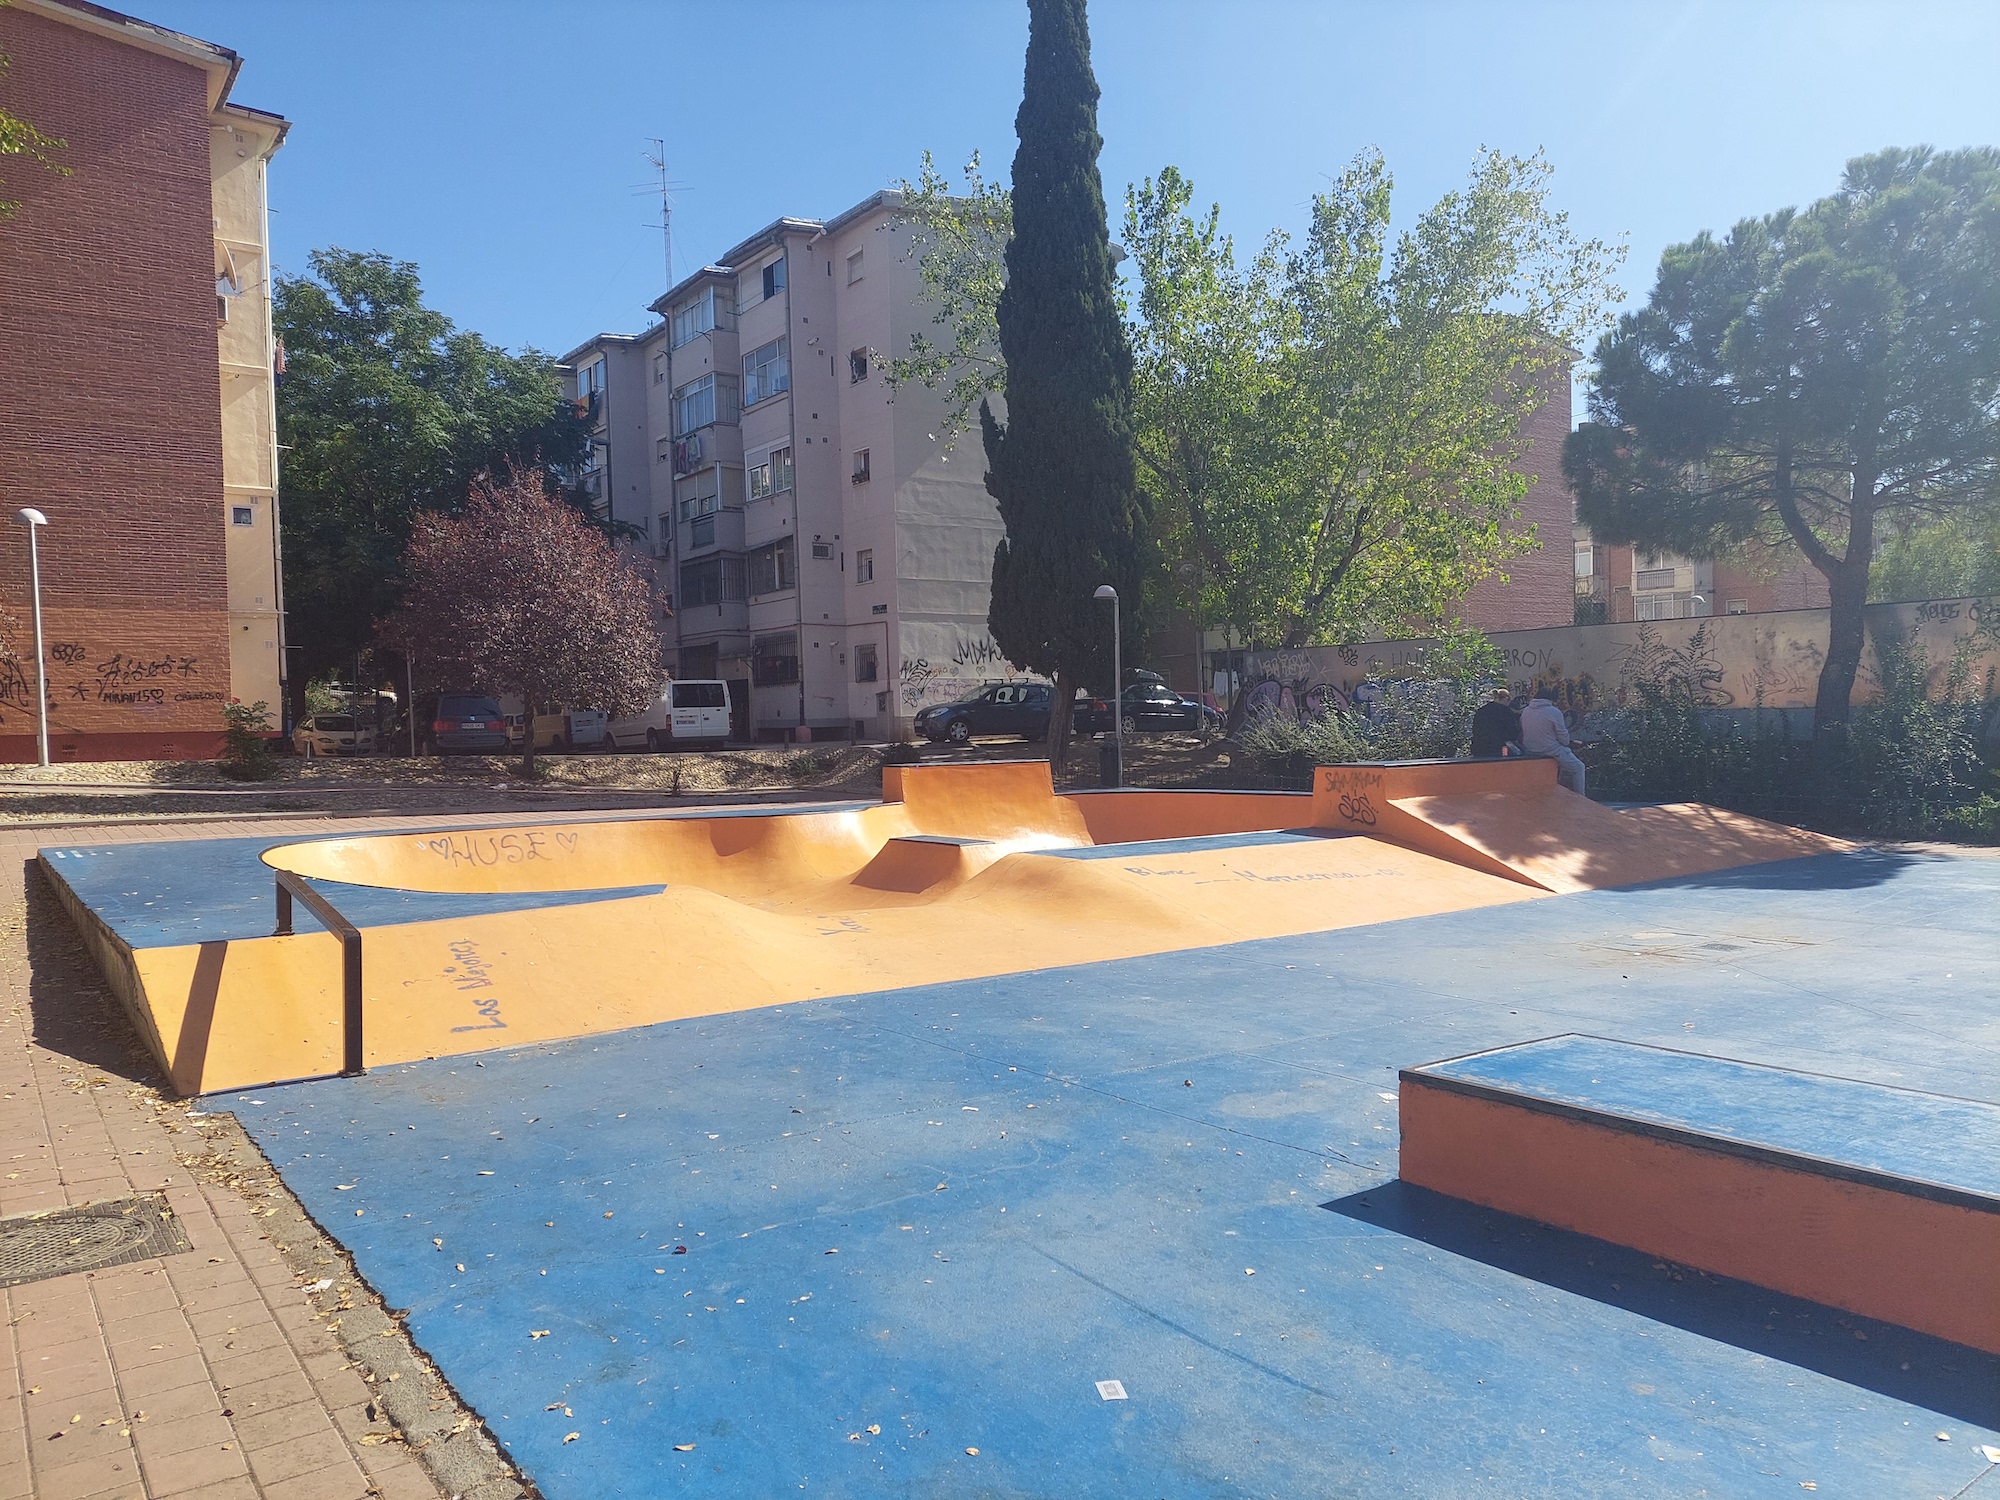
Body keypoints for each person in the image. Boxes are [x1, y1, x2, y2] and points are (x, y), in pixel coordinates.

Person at [1519, 684, 1586, 796]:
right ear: (1550, 699)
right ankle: (1581, 797)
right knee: (1578, 767)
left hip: (1529, 749)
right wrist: (1568, 743)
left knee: (1564, 763)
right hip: (1549, 749)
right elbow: (1563, 737)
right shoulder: (1553, 711)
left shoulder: (1526, 711)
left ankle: (1559, 790)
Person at [1468, 687, 1520, 759]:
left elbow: (1475, 730)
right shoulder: (1506, 712)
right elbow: (1513, 733)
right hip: (1497, 749)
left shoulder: (1481, 710)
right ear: (1506, 699)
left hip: (1479, 748)